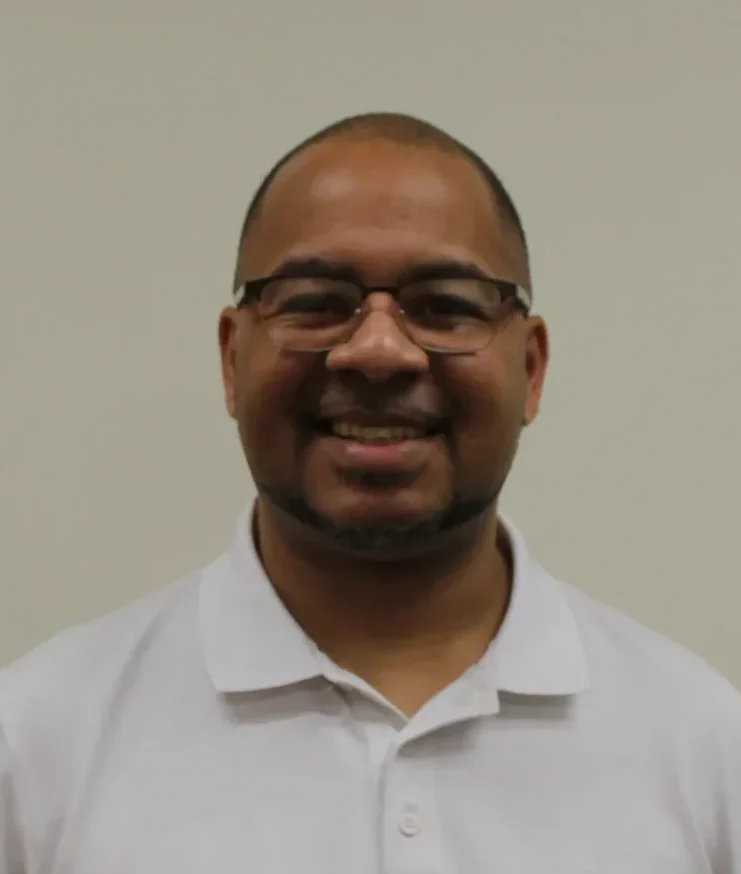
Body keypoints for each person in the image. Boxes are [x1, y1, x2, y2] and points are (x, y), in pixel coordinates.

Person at [1, 112, 740, 874]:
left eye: (446, 304)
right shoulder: (37, 745)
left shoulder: (702, 747)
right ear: (230, 360)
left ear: (530, 368)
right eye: (313, 300)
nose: (378, 351)